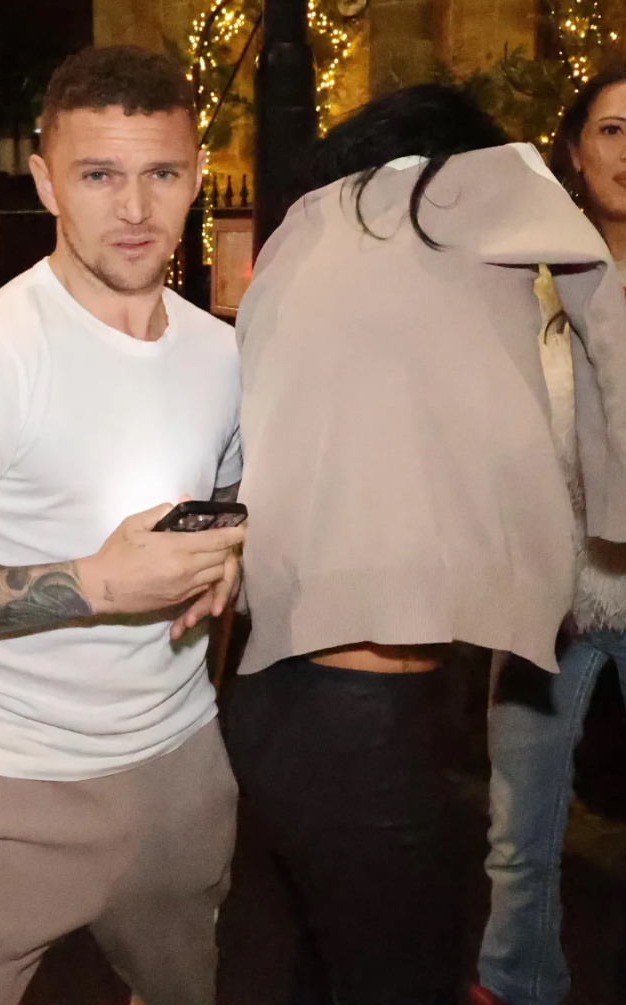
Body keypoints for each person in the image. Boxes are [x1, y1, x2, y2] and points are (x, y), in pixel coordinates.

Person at [0, 45, 244, 1005]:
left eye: (162, 174)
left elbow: (230, 504)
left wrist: (228, 553)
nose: (135, 209)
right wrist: (98, 582)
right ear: (44, 182)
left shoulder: (223, 353)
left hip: (180, 770)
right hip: (8, 784)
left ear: (198, 174)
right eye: (99, 175)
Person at [225, 83, 626, 1005]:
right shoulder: (487, 195)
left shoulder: (309, 245)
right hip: (370, 723)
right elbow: (607, 323)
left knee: (319, 968)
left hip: (274, 699)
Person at [472, 66, 626, 1005]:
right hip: (549, 591)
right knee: (519, 828)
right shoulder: (524, 283)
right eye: (612, 130)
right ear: (574, 149)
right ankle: (515, 983)